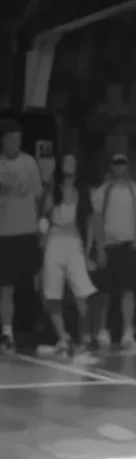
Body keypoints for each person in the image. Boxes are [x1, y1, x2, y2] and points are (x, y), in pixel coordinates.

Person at [39, 153, 99, 361]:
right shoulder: (52, 189)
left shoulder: (82, 191)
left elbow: (90, 222)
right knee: (52, 292)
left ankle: (85, 339)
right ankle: (63, 337)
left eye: (73, 162)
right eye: (66, 162)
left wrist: (88, 250)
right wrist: (42, 240)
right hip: (54, 242)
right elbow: (44, 217)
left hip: (74, 242)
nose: (69, 165)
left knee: (82, 291)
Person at [91, 152, 136, 351]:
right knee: (104, 292)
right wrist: (99, 247)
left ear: (128, 166)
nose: (119, 167)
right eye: (116, 163)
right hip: (109, 246)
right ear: (111, 166)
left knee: (128, 290)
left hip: (128, 246)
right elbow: (96, 221)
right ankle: (102, 330)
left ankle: (128, 332)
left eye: (123, 163)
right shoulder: (103, 191)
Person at [0, 118, 44, 353]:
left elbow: (39, 194)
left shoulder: (29, 163)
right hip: (4, 234)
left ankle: (38, 328)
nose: (14, 143)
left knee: (34, 282)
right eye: (10, 139)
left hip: (28, 232)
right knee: (6, 286)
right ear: (3, 141)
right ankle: (7, 332)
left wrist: (42, 226)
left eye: (18, 139)